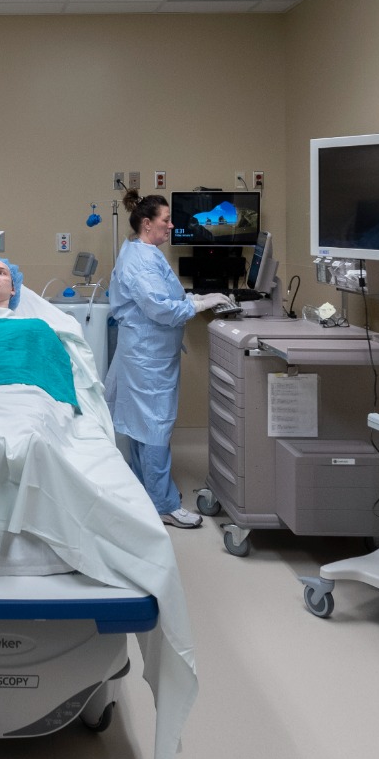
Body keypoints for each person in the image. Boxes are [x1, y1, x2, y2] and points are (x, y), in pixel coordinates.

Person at [105, 190, 231, 528]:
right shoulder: (142, 259)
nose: (171, 225)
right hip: (148, 357)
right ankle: (162, 504)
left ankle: (145, 491)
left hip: (145, 352)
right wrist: (197, 305)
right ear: (147, 224)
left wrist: (192, 298)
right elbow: (159, 307)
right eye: (165, 220)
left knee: (141, 426)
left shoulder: (140, 249)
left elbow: (163, 294)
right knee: (154, 428)